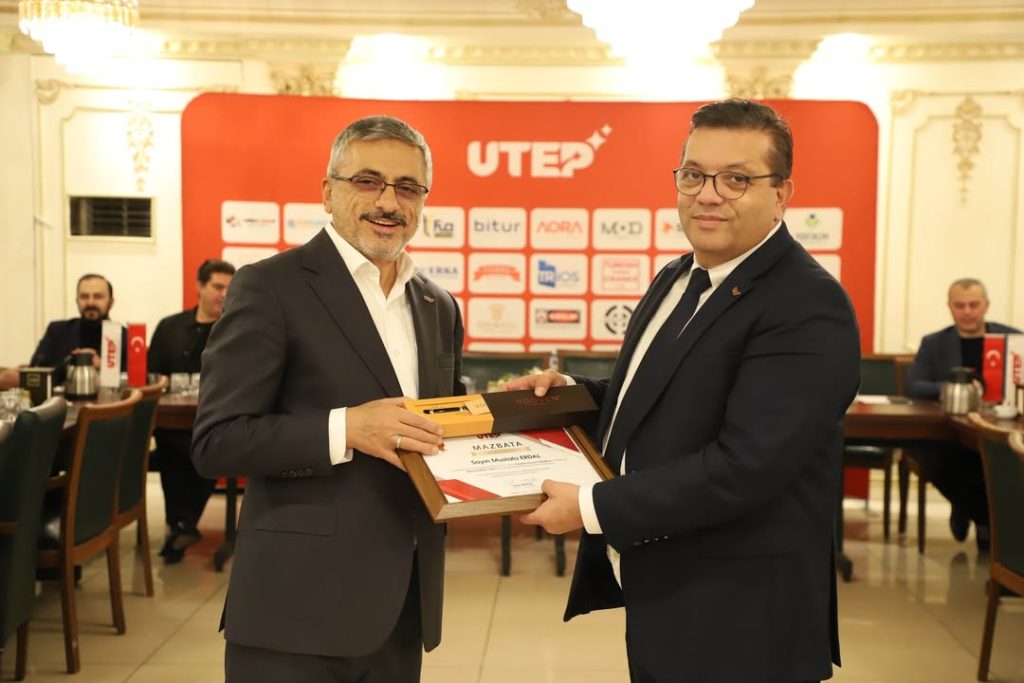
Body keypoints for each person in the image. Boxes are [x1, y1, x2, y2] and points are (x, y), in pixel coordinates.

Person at [506, 99, 861, 683]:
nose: (708, 195)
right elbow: (656, 397)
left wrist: (591, 507)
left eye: (736, 179)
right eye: (693, 175)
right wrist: (569, 394)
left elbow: (745, 467)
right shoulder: (678, 276)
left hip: (743, 614)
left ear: (782, 193)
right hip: (663, 585)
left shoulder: (807, 304)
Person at [191, 115, 464, 683]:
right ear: (328, 192)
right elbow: (217, 441)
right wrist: (345, 429)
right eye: (368, 181)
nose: (388, 201)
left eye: (407, 187)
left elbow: (440, 426)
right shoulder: (270, 286)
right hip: (295, 608)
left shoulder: (438, 304)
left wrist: (522, 419)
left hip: (401, 605)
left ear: (423, 201)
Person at [906, 278, 1020, 549]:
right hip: (950, 433)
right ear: (949, 307)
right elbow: (914, 385)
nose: (967, 311)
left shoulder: (1014, 340)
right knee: (936, 460)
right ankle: (979, 515)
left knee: (1004, 463)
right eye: (960, 305)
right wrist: (954, 388)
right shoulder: (934, 343)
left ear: (986, 306)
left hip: (1000, 429)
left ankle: (982, 520)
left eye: (974, 305)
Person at [147, 258, 236, 564]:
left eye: (229, 288)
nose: (224, 294)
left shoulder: (236, 329)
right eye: (218, 286)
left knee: (205, 445)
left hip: (215, 420)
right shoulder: (169, 326)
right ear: (200, 286)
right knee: (172, 446)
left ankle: (181, 526)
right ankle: (182, 525)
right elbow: (152, 372)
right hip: (171, 422)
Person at [29, 273, 126, 384]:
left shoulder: (124, 337)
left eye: (98, 297)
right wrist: (70, 364)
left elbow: (133, 383)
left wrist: (104, 369)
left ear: (111, 302)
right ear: (77, 301)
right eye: (84, 297)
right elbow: (35, 375)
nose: (90, 303)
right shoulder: (57, 332)